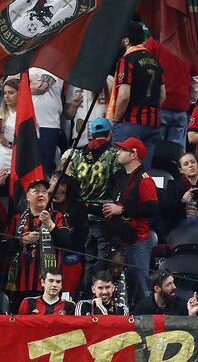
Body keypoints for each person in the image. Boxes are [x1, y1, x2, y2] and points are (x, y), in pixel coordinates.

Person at [67, 117, 123, 295]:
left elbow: (71, 183)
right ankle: (96, 298)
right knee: (101, 261)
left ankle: (85, 295)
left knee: (88, 260)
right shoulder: (115, 153)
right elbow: (119, 183)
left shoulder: (77, 154)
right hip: (104, 214)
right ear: (109, 134)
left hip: (82, 214)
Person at [103, 137, 158, 306]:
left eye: (122, 150)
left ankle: (145, 322)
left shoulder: (145, 179)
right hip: (119, 240)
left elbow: (152, 208)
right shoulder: (121, 176)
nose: (118, 153)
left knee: (140, 285)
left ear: (133, 154)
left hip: (137, 243)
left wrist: (122, 210)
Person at [6, 180, 71, 308]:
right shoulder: (17, 219)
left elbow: (66, 243)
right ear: (28, 197)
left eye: (44, 191)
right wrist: (22, 240)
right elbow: (4, 246)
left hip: (47, 283)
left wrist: (50, 224)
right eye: (36, 191)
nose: (41, 194)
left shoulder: (57, 216)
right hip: (18, 283)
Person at [110, 21, 166, 169]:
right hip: (152, 123)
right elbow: (162, 96)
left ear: (127, 40)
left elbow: (123, 96)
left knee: (121, 170)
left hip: (131, 124)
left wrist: (115, 120)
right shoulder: (155, 61)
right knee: (142, 171)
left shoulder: (126, 60)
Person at [48, 172, 88, 296]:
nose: (50, 183)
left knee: (67, 295)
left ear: (64, 187)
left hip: (69, 256)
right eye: (51, 179)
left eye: (54, 180)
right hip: (46, 255)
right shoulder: (44, 204)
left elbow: (82, 234)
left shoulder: (77, 206)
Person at [28, 67, 64, 175]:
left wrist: (23, 79)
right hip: (24, 122)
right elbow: (10, 85)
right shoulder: (25, 61)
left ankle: (44, 191)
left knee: (44, 169)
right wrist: (32, 79)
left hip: (47, 124)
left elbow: (40, 87)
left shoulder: (53, 61)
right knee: (25, 166)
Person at [0, 78, 18, 171]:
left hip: (14, 167)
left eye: (11, 93)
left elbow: (30, 145)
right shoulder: (1, 114)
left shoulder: (26, 118)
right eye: (4, 93)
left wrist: (9, 144)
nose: (6, 96)